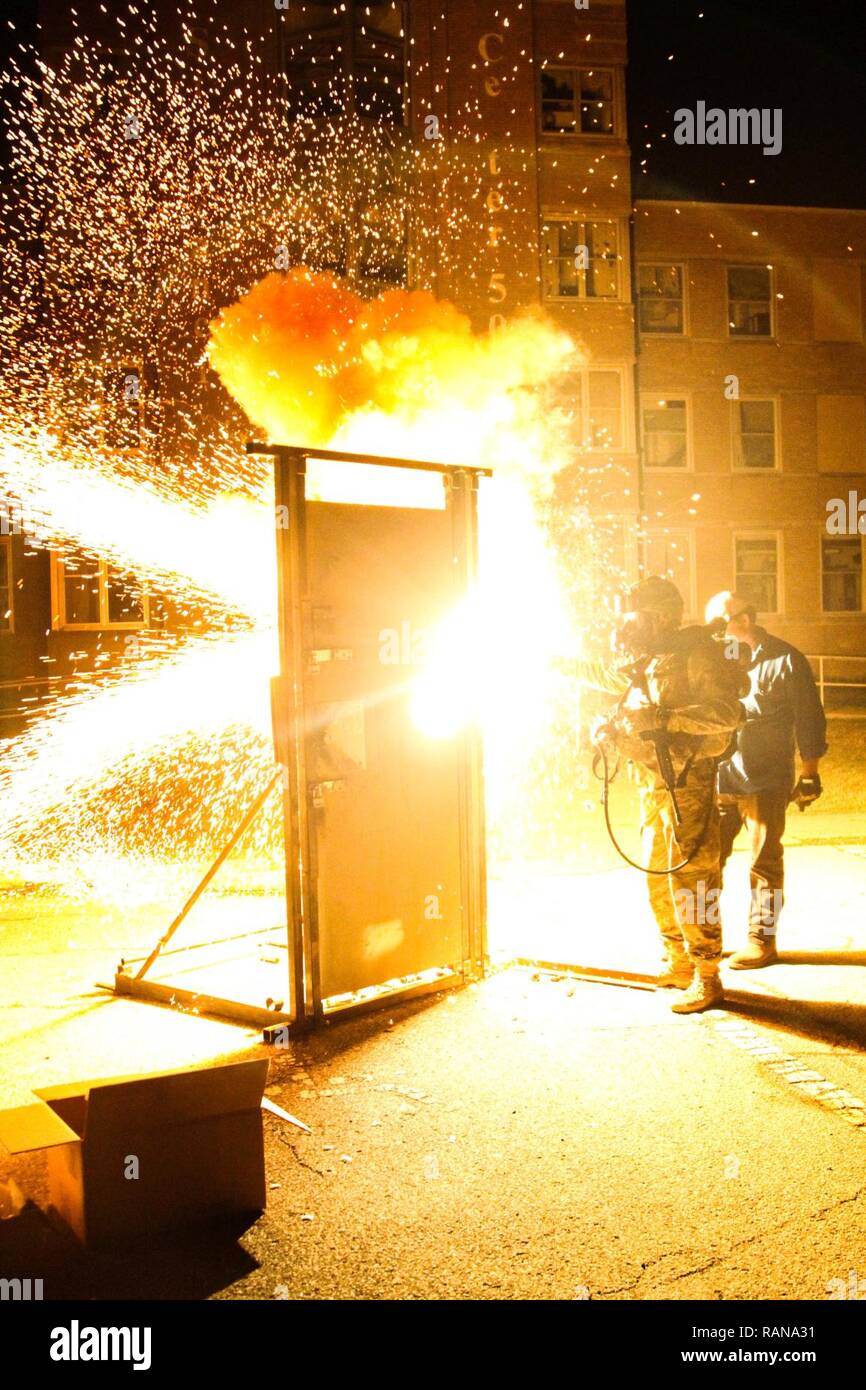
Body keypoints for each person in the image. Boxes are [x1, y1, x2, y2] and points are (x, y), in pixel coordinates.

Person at [580, 576, 746, 1013]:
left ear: (658, 616)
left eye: (636, 616)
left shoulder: (696, 653)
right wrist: (611, 729)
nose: (628, 625)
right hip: (653, 786)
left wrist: (666, 717)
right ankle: (679, 962)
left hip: (687, 784)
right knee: (657, 876)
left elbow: (728, 714)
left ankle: (708, 976)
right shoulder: (647, 659)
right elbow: (603, 678)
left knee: (692, 880)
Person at [704, 591, 828, 968]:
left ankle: (762, 940)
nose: (713, 632)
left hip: (766, 777)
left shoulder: (786, 660)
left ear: (744, 618)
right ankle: (706, 938)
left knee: (764, 863)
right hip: (721, 776)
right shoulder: (716, 661)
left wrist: (809, 775)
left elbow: (809, 719)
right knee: (706, 862)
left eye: (718, 623)